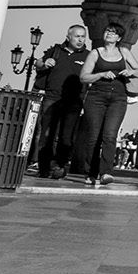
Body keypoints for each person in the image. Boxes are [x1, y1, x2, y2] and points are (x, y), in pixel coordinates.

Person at [75, 22, 138, 187]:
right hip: (96, 97)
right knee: (93, 136)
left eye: (113, 33)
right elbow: (84, 77)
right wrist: (101, 74)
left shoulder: (123, 52)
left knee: (110, 135)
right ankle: (90, 172)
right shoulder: (95, 54)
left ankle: (106, 172)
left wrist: (130, 71)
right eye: (107, 31)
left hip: (118, 98)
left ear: (119, 38)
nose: (109, 34)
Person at [33, 24, 89, 179]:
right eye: (77, 36)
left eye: (83, 36)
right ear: (68, 37)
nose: (80, 39)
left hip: (74, 101)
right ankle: (44, 167)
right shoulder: (55, 50)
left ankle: (59, 165)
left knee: (66, 136)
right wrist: (44, 63)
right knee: (47, 134)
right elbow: (38, 64)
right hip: (52, 97)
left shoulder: (88, 56)